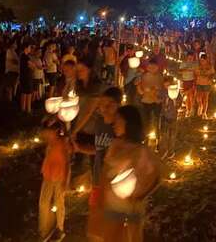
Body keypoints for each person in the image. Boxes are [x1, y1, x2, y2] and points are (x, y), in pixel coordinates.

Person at [88, 105, 160, 242]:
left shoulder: (141, 150)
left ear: (129, 122)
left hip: (130, 211)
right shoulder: (115, 144)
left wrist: (139, 195)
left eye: (118, 120)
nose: (114, 124)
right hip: (111, 207)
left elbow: (156, 177)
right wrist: (98, 200)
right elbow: (105, 173)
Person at [72, 87, 122, 233]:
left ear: (117, 105)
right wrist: (79, 148)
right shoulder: (100, 123)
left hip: (113, 184)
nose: (103, 109)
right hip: (97, 180)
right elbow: (98, 150)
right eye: (101, 105)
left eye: (108, 105)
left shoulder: (120, 129)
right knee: (95, 219)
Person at [39, 119, 71, 242]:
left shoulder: (63, 143)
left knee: (59, 201)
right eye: (45, 132)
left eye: (48, 132)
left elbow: (67, 162)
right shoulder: (50, 144)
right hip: (48, 175)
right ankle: (44, 229)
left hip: (59, 176)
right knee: (43, 202)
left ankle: (59, 228)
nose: (45, 134)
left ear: (56, 131)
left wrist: (66, 180)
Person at [136, 60, 163, 141]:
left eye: (154, 67)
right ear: (148, 67)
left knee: (156, 120)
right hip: (146, 101)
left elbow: (160, 89)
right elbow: (141, 91)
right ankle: (145, 137)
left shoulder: (160, 77)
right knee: (146, 120)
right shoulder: (144, 77)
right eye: (150, 67)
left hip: (156, 102)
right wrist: (138, 86)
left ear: (157, 67)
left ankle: (157, 138)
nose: (152, 69)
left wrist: (153, 91)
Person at [160, 77, 179, 159]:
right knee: (164, 134)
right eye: (165, 85)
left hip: (173, 116)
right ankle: (164, 150)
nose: (167, 87)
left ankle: (171, 151)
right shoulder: (163, 92)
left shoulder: (176, 93)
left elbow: (179, 105)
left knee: (172, 135)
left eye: (168, 85)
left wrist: (174, 101)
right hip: (164, 116)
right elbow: (159, 99)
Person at [194, 54, 215, 119]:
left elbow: (212, 74)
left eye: (204, 60)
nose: (202, 62)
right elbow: (195, 73)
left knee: (206, 98)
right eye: (201, 60)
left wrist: (210, 78)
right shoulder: (198, 66)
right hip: (199, 83)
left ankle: (204, 113)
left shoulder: (210, 66)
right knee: (198, 97)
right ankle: (200, 105)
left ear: (206, 60)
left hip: (207, 84)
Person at [178, 52, 197, 117]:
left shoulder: (195, 64)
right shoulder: (184, 63)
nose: (190, 59)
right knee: (187, 96)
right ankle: (188, 109)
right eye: (189, 58)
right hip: (185, 81)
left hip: (192, 81)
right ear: (187, 57)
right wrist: (186, 69)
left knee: (192, 96)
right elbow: (179, 71)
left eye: (192, 58)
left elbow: (197, 72)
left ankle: (192, 109)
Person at [19, 43, 35, 113]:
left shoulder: (22, 56)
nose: (30, 49)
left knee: (24, 93)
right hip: (27, 77)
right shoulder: (25, 57)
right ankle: (28, 109)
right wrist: (33, 65)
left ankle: (23, 109)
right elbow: (32, 66)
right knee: (28, 93)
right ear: (26, 48)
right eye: (29, 47)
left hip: (23, 76)